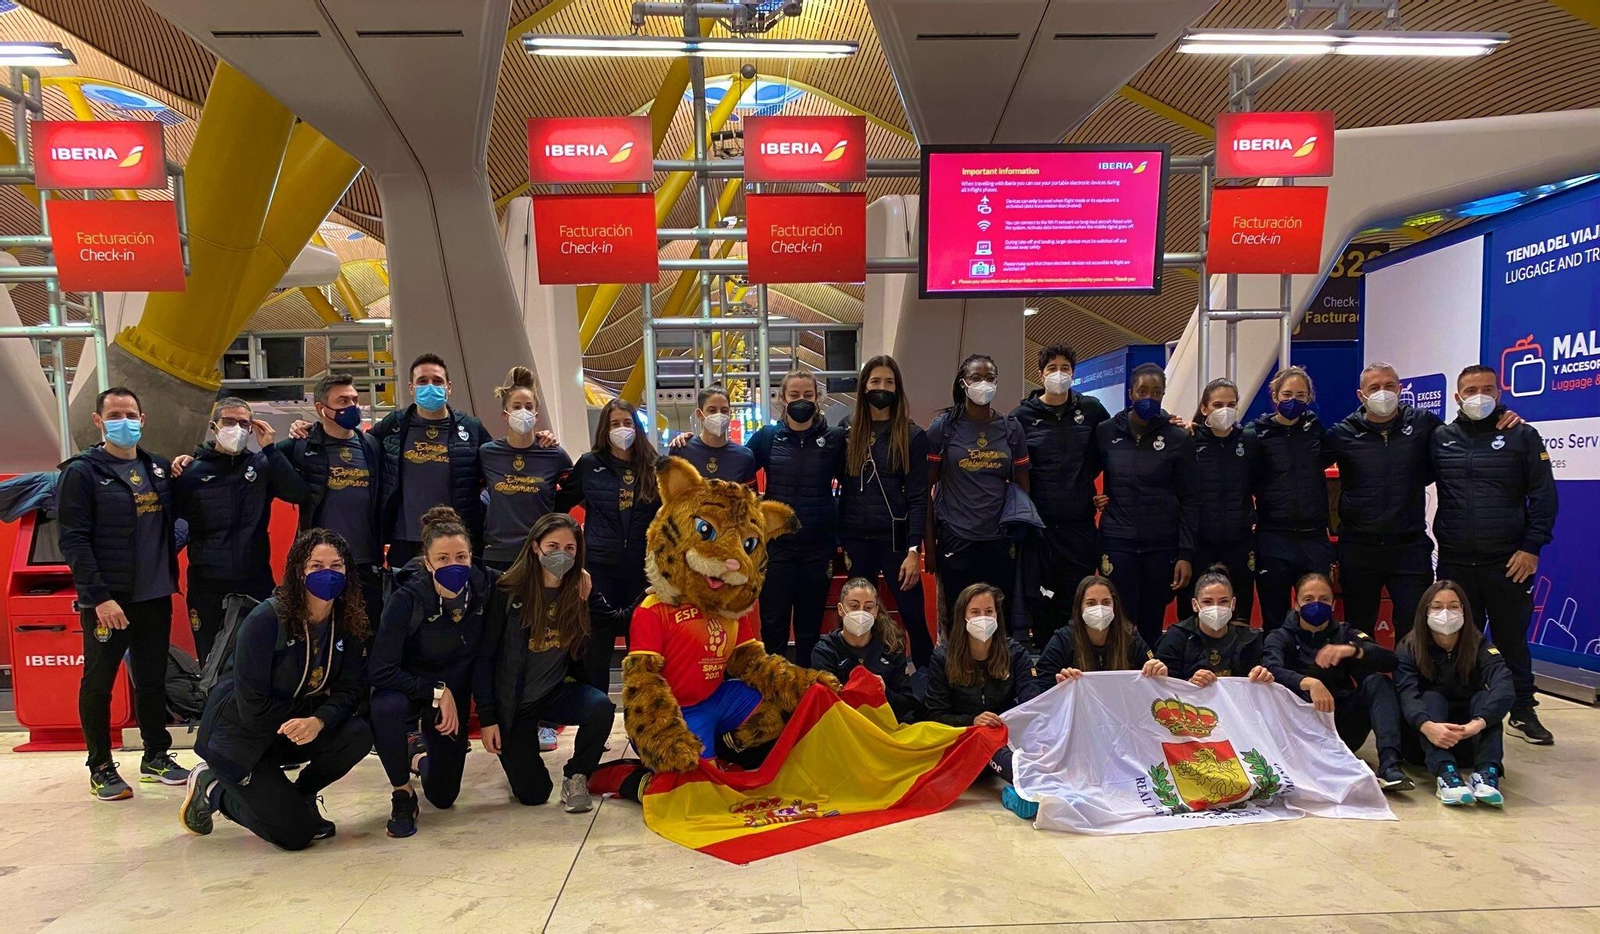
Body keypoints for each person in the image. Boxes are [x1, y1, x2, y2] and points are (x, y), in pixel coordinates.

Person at [182, 528, 373, 850]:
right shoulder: (266, 620)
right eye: (316, 566)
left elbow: (351, 689)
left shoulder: (349, 620)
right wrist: (312, 711)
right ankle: (215, 788)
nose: (327, 574)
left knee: (357, 734)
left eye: (336, 566)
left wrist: (319, 721)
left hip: (292, 727)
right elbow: (253, 708)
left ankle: (301, 797)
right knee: (295, 837)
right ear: (299, 571)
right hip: (242, 735)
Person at [56, 386, 188, 799]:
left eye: (130, 414)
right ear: (99, 421)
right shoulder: (81, 472)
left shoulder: (157, 469)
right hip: (110, 600)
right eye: (114, 415)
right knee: (99, 682)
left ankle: (155, 756)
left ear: (142, 419)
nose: (124, 421)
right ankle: (100, 766)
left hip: (154, 595)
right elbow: (74, 539)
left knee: (151, 679)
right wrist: (98, 598)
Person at [1431, 364, 1558, 745]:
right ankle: (1466, 708)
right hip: (1455, 560)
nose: (1479, 397)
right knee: (1456, 639)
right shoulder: (1440, 438)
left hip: (1508, 562)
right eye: (1471, 390)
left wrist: (1531, 548)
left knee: (1512, 639)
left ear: (1499, 394)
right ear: (1458, 397)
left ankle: (1522, 710)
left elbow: (1544, 497)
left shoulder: (1522, 435)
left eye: (1487, 389)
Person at [476, 514, 624, 812]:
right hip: (515, 704)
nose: (561, 554)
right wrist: (488, 718)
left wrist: (658, 597)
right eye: (553, 545)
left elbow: (615, 622)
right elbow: (485, 659)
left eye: (570, 549)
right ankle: (518, 758)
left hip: (554, 693)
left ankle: (577, 776)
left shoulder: (580, 590)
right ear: (535, 547)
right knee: (534, 793)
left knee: (601, 707)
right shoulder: (507, 592)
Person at [369, 506, 496, 838]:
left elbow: (531, 578)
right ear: (427, 563)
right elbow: (380, 670)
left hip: (453, 698)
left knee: (443, 797)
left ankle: (418, 757)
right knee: (385, 708)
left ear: (472, 557)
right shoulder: (406, 599)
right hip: (411, 691)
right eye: (442, 559)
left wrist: (579, 575)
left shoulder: (485, 587)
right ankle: (402, 792)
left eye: (461, 557)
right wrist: (437, 691)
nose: (453, 565)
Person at [171, 397, 308, 664]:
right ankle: (213, 706)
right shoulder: (190, 473)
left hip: (254, 581)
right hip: (207, 585)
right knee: (211, 662)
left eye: (243, 422)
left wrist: (270, 449)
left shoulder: (261, 465)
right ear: (214, 427)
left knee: (260, 658)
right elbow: (168, 524)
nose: (236, 428)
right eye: (229, 422)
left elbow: (298, 493)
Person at [1262, 572, 1411, 792]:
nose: (1316, 604)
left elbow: (1390, 661)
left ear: (1333, 604)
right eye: (1308, 599)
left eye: (1324, 599)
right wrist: (1309, 682)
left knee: (1378, 682)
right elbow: (1271, 668)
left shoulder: (1345, 632)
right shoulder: (1280, 636)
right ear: (1296, 604)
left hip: (1342, 724)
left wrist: (1352, 650)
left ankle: (1390, 765)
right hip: (1299, 727)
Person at [833, 355, 933, 666]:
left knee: (913, 615)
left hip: (897, 543)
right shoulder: (847, 432)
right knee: (858, 616)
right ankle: (859, 674)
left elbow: (919, 497)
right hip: (856, 539)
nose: (882, 388)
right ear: (863, 387)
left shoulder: (913, 435)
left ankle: (927, 680)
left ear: (897, 387)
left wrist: (914, 551)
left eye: (889, 382)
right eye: (875, 381)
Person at [1011, 343, 1110, 649]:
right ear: (1040, 374)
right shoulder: (1022, 416)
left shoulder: (1091, 410)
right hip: (1039, 529)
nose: (1058, 374)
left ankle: (1079, 655)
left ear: (1073, 373)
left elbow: (1114, 446)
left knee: (1078, 594)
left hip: (1079, 525)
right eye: (1052, 369)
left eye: (1065, 368)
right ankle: (1046, 659)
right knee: (1042, 598)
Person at [1094, 363, 1196, 647]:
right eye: (1142, 391)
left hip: (1161, 545)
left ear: (1163, 395)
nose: (1148, 397)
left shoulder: (1178, 438)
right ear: (1131, 393)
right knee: (1117, 622)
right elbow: (1084, 473)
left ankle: (1151, 681)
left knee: (1152, 623)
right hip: (1117, 542)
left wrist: (1185, 553)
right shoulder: (1105, 432)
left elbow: (1190, 499)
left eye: (1156, 392)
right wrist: (1092, 497)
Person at [927, 354, 1030, 630]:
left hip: (998, 538)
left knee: (997, 615)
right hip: (956, 538)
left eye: (990, 377)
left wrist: (1019, 531)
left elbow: (1022, 483)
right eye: (976, 377)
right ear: (963, 382)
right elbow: (925, 489)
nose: (983, 383)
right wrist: (929, 545)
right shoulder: (944, 428)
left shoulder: (1011, 429)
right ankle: (957, 672)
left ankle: (997, 670)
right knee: (958, 617)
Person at [562, 398, 659, 691]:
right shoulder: (590, 465)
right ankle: (598, 727)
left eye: (627, 423)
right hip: (599, 571)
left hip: (642, 573)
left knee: (642, 652)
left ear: (637, 427)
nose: (622, 429)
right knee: (596, 652)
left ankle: (640, 729)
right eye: (615, 424)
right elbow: (559, 506)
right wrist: (572, 554)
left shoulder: (653, 467)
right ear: (605, 429)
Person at [747, 370, 842, 664]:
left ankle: (805, 695)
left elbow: (854, 485)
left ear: (818, 399)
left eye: (808, 395)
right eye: (795, 395)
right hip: (777, 550)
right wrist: (690, 442)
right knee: (773, 626)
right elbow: (733, 464)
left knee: (809, 631)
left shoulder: (834, 439)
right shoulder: (767, 438)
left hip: (817, 550)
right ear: (782, 400)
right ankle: (773, 691)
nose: (802, 401)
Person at [1396, 580, 1514, 807]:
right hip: (1424, 740)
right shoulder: (1409, 647)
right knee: (1431, 697)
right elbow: (1406, 694)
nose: (1446, 613)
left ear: (1464, 611)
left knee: (1485, 698)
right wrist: (1426, 725)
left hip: (1466, 736)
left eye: (1453, 606)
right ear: (1425, 612)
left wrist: (1478, 723)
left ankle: (1486, 773)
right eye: (1437, 607)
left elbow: (1504, 685)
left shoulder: (1478, 644)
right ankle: (1446, 775)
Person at [276, 373, 386, 615]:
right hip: (319, 566)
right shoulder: (301, 446)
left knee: (366, 635)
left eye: (355, 400)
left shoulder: (371, 445)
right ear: (321, 408)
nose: (352, 407)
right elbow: (257, 464)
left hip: (366, 562)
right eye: (343, 401)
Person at [371, 353, 492, 569]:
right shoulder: (393, 425)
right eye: (422, 381)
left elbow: (498, 463)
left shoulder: (471, 428)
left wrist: (541, 440)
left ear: (449, 387)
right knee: (404, 600)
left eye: (437, 381)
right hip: (405, 541)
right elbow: (354, 444)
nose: (430, 386)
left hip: (455, 540)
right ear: (411, 388)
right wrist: (309, 431)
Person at [922, 584, 1032, 808]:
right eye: (975, 612)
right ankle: (1030, 785)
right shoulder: (943, 658)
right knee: (982, 735)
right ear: (963, 616)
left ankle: (1032, 782)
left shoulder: (1015, 653)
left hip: (1004, 737)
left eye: (989, 611)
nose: (983, 618)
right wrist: (972, 721)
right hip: (963, 743)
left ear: (997, 615)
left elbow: (1033, 700)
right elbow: (934, 715)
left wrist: (1063, 687)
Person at [1250, 366, 1332, 628]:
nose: (1293, 401)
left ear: (1309, 398)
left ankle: (1317, 667)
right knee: (1274, 616)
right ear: (1274, 396)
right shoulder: (1256, 434)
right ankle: (1277, 667)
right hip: (1273, 537)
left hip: (1314, 538)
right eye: (1287, 394)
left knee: (1317, 615)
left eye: (1300, 395)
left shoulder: (1316, 430)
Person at [479, 365, 574, 572]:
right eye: (517, 406)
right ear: (505, 414)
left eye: (529, 407)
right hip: (497, 552)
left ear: (536, 415)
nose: (523, 412)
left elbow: (577, 493)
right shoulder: (487, 454)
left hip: (540, 552)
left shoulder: (555, 455)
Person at [1182, 378, 1256, 625]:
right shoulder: (1188, 440)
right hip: (1199, 542)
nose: (1225, 410)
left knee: (1240, 611)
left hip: (1239, 541)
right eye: (1217, 404)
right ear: (1204, 409)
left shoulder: (1249, 440)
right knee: (1193, 612)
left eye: (1231, 404)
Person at [1022, 576, 1166, 702]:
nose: (1099, 608)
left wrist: (1160, 675)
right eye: (1091, 603)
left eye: (1106, 602)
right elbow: (1040, 688)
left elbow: (1155, 689)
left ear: (1115, 606)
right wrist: (1059, 688)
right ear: (1080, 607)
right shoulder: (1063, 639)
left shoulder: (1130, 638)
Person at [810, 577, 916, 721]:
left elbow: (907, 704)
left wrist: (884, 691)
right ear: (841, 609)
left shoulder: (892, 647)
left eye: (868, 607)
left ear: (876, 612)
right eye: (854, 606)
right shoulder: (824, 651)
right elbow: (823, 706)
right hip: (844, 728)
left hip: (884, 727)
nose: (861, 613)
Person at [1156, 565, 1273, 685]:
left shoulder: (1249, 639)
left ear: (1233, 604)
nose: (1216, 607)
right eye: (1207, 602)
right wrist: (1189, 683)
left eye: (1223, 601)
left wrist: (1262, 675)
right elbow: (1164, 686)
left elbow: (1259, 679)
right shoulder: (1176, 638)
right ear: (1195, 605)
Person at [674, 385, 757, 485]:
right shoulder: (681, 450)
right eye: (712, 410)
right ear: (699, 414)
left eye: (724, 410)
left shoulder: (744, 457)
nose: (719, 415)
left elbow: (749, 499)